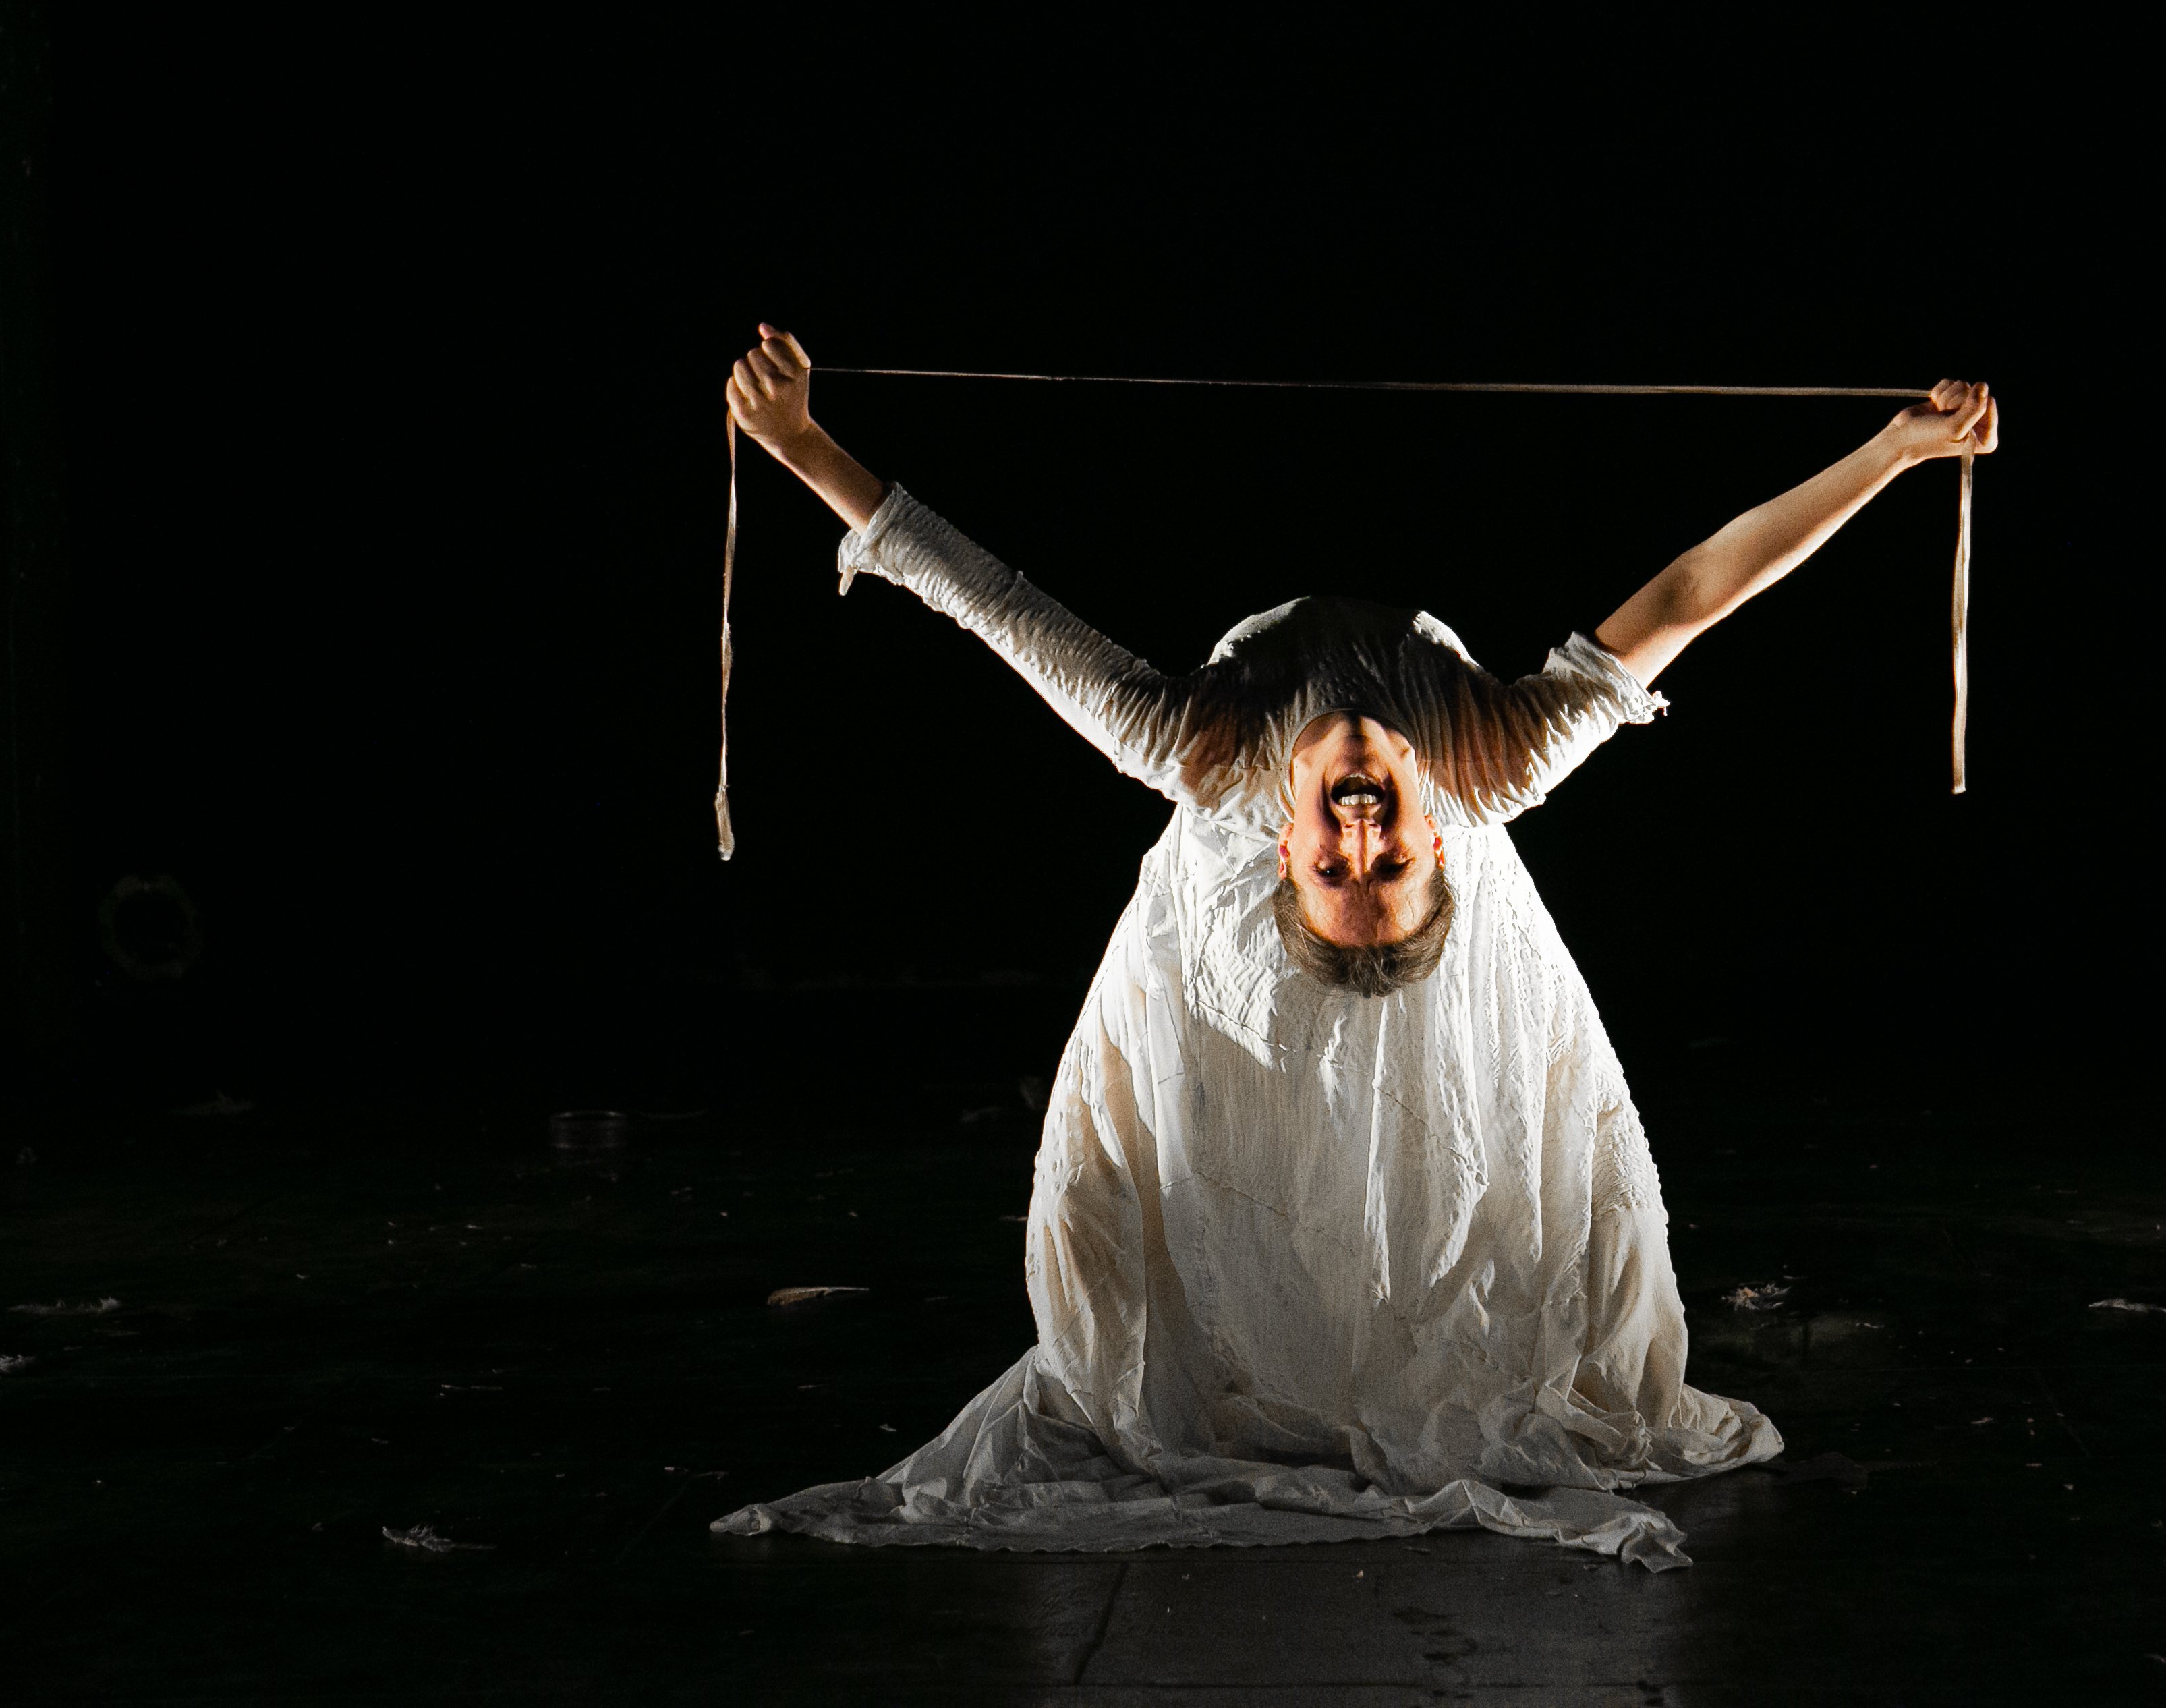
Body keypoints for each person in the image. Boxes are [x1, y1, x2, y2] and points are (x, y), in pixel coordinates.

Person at [709, 326, 1996, 1568]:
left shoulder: (1203, 752)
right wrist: (1893, 450)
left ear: (1284, 849)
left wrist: (800, 443)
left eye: (1337, 869)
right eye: (1392, 863)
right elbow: (1691, 594)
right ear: (1443, 843)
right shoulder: (1495, 762)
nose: (1364, 835)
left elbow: (987, 601)